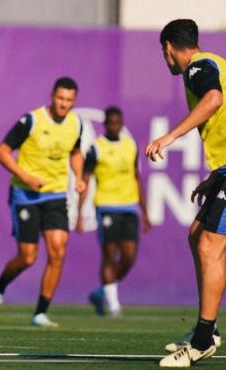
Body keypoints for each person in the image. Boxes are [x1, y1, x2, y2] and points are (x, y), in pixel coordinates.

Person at [149, 19, 224, 368]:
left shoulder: (196, 68)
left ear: (168, 48)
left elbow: (214, 99)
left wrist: (169, 137)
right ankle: (207, 329)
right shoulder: (215, 62)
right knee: (198, 237)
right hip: (223, 171)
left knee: (210, 245)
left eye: (163, 54)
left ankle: (202, 340)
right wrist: (214, 176)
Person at [0, 77, 86, 327]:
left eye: (69, 100)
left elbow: (75, 151)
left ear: (74, 101)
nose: (64, 104)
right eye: (60, 98)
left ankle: (40, 312)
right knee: (28, 257)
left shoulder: (76, 123)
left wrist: (79, 177)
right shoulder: (31, 120)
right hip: (25, 195)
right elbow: (1, 152)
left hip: (56, 195)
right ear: (52, 96)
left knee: (58, 251)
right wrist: (25, 176)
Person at [76, 106, 151, 317]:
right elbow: (86, 180)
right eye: (111, 123)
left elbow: (136, 177)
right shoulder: (96, 148)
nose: (115, 127)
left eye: (118, 123)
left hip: (128, 207)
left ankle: (101, 292)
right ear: (106, 124)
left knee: (128, 257)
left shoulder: (130, 145)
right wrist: (80, 213)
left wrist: (144, 212)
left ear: (122, 123)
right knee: (109, 254)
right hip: (106, 206)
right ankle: (114, 304)